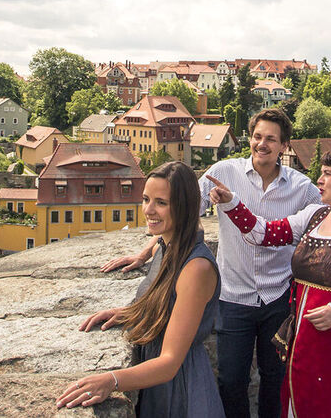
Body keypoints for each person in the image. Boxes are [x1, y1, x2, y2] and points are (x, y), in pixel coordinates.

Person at [102, 108, 320, 418]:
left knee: (276, 379)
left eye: (271, 139)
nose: (262, 144)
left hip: (278, 298)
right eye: (258, 136)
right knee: (231, 381)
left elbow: (328, 222)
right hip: (233, 299)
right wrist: (146, 251)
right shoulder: (224, 173)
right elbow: (181, 214)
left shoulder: (303, 187)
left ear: (284, 145)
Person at [208, 147, 331, 418]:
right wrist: (232, 203)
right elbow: (263, 233)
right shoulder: (315, 216)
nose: (319, 180)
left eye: (327, 174)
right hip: (305, 344)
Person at [57, 161, 224, 417]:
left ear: (185, 207)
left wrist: (109, 380)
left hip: (179, 389)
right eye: (146, 199)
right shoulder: (169, 245)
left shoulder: (196, 269)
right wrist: (132, 312)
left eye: (161, 202)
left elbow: (169, 363)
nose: (148, 210)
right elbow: (165, 298)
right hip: (156, 381)